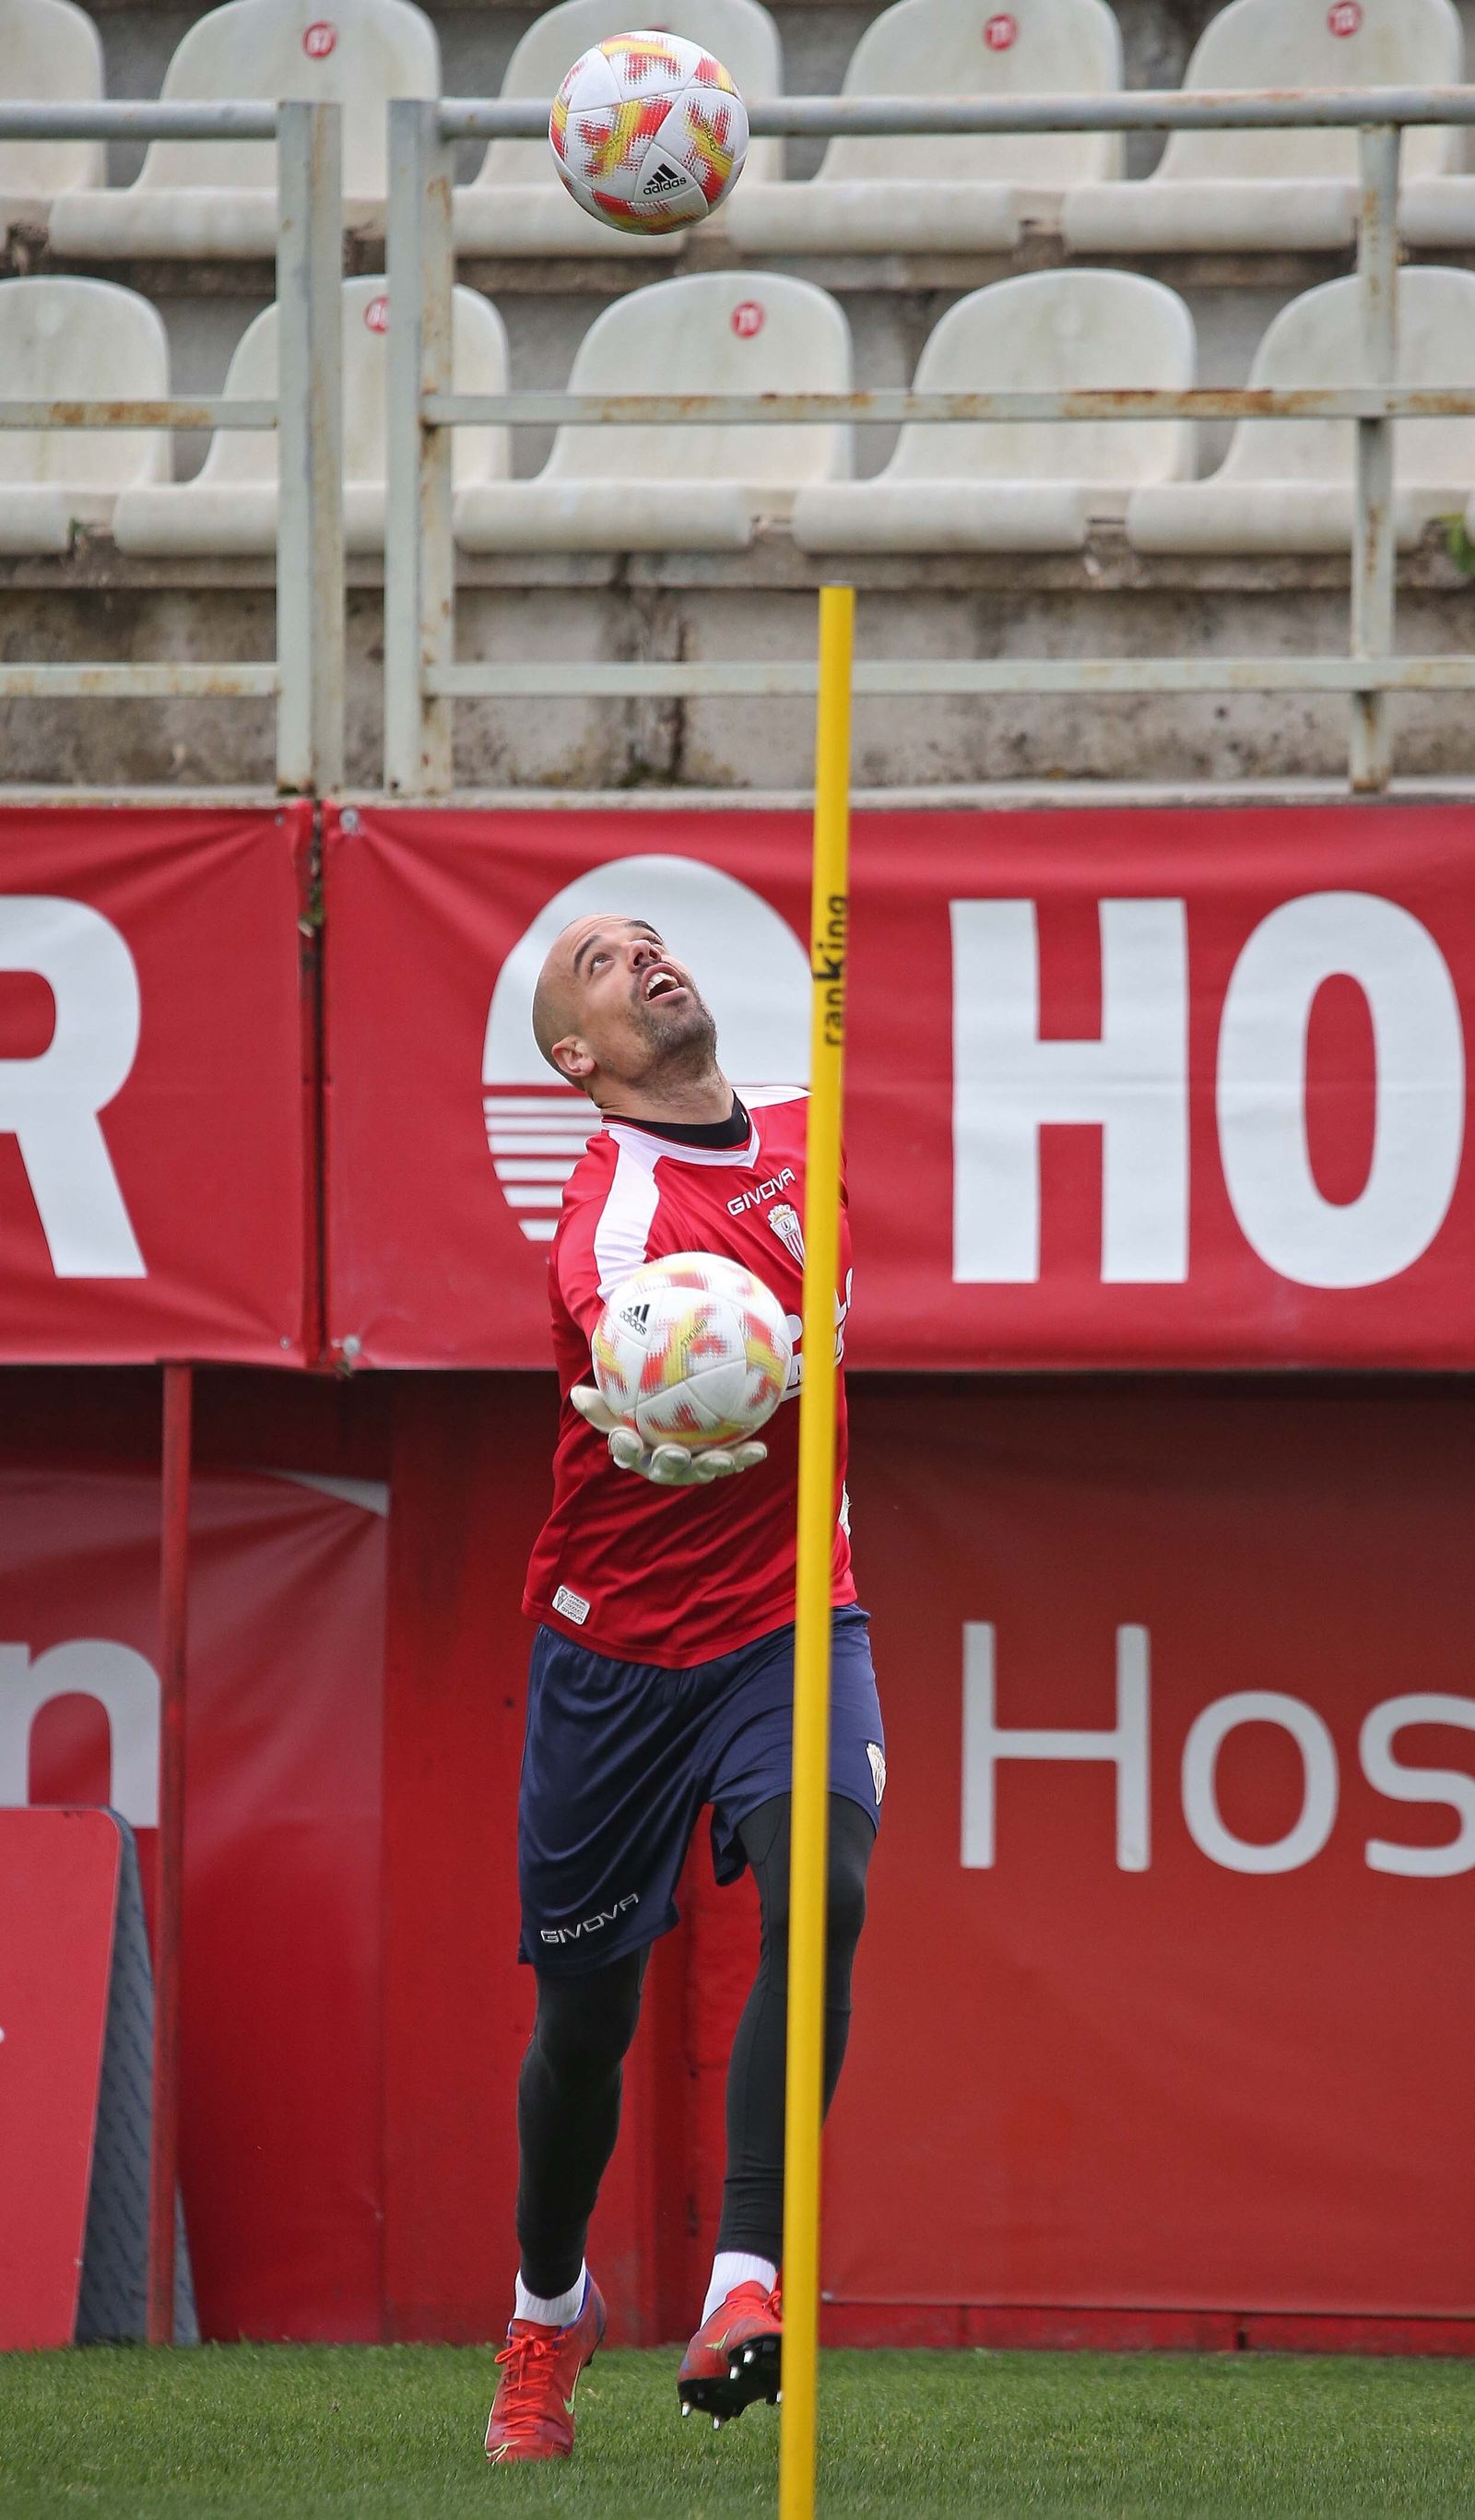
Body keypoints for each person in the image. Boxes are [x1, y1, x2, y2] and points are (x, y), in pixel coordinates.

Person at [484, 911, 884, 2466]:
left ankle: (744, 2276)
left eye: (648, 939)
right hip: (615, 1651)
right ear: (576, 1059)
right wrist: (668, 1391)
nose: (643, 956)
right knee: (585, 2032)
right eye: (599, 962)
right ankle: (545, 2308)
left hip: (794, 1613)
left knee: (825, 1881)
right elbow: (621, 1316)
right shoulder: (613, 1223)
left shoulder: (808, 1134)